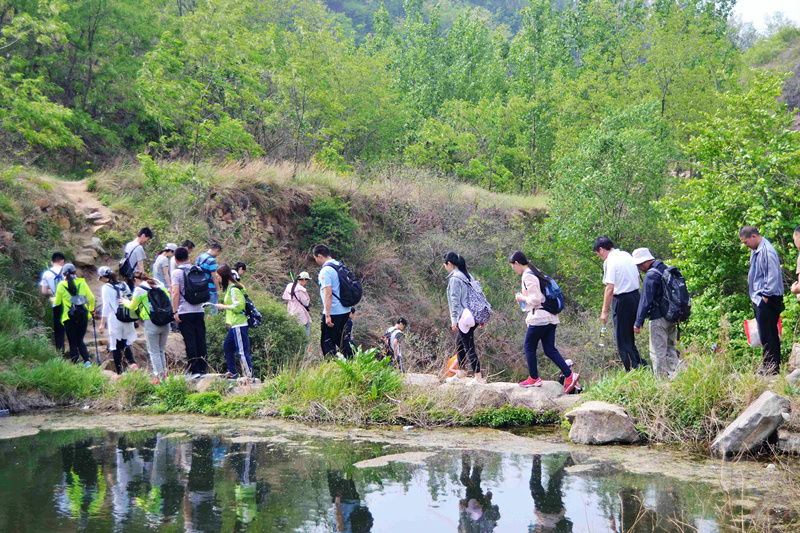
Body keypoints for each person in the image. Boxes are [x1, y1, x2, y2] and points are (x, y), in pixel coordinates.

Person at [509, 251, 579, 393]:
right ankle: (569, 375)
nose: (513, 269)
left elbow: (536, 299)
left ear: (516, 263)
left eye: (512, 266)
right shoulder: (536, 272)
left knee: (529, 346)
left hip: (540, 318)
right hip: (551, 317)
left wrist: (521, 298)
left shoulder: (528, 275)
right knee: (549, 349)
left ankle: (534, 378)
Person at [593, 236, 643, 371]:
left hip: (622, 300)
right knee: (629, 336)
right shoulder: (627, 255)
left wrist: (604, 311)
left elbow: (609, 288)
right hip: (635, 297)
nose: (599, 257)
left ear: (601, 250)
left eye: (598, 254)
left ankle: (631, 369)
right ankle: (638, 364)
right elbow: (638, 278)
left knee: (621, 338)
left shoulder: (610, 261)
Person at [740, 226, 785, 374]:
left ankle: (772, 368)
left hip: (767, 298)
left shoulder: (767, 250)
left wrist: (765, 296)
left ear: (754, 236)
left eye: (746, 242)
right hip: (760, 297)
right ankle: (769, 365)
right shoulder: (756, 250)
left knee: (769, 333)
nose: (745, 245)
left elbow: (772, 275)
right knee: (765, 333)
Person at [632, 248, 680, 378]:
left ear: (643, 262)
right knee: (670, 349)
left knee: (657, 351)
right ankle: (677, 378)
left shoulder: (651, 275)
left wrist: (638, 322)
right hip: (672, 316)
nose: (639, 268)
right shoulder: (665, 268)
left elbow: (645, 300)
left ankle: (661, 382)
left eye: (638, 265)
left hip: (658, 319)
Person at [122, 271, 171, 383]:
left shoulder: (140, 290)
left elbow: (133, 306)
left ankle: (158, 376)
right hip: (166, 321)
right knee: (161, 350)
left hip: (151, 322)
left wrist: (125, 302)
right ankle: (164, 375)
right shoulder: (160, 285)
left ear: (136, 280)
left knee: (153, 351)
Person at [444, 252, 483, 384]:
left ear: (449, 263)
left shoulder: (455, 278)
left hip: (464, 317)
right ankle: (461, 373)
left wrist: (454, 320)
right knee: (459, 343)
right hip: (472, 315)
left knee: (468, 346)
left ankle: (478, 377)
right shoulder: (467, 275)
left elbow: (455, 302)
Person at [171, 246, 208, 378]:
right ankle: (203, 368)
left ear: (175, 259)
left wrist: (175, 311)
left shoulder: (176, 273)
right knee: (200, 339)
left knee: (190, 340)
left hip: (184, 311)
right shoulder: (197, 269)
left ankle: (195, 370)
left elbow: (175, 292)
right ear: (189, 257)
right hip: (199, 309)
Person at [97, 266, 138, 378]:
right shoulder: (124, 284)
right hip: (127, 318)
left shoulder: (106, 287)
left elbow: (106, 307)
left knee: (115, 346)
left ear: (103, 278)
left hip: (115, 319)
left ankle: (119, 373)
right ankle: (133, 364)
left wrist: (102, 323)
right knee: (125, 343)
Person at [313, 244, 353, 358]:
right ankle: (352, 361)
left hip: (334, 311)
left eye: (316, 258)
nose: (316, 261)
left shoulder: (326, 270)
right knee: (342, 340)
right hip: (345, 309)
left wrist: (327, 315)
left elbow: (328, 293)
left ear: (319, 256)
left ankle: (331, 366)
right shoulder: (339, 265)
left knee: (327, 342)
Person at [215, 264, 253, 381]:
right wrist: (228, 321)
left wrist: (223, 307)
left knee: (242, 351)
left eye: (218, 276)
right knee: (228, 346)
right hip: (233, 324)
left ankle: (249, 376)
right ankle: (232, 371)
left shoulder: (234, 290)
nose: (217, 278)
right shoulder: (229, 289)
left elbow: (238, 307)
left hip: (239, 324)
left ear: (224, 276)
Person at [53, 264, 96, 366]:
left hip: (69, 318)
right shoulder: (82, 283)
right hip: (83, 316)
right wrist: (91, 310)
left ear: (64, 274)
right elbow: (92, 298)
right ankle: (87, 362)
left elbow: (57, 302)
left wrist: (53, 299)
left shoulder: (61, 285)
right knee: (80, 340)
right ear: (75, 273)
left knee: (72, 342)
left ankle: (76, 365)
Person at [529, 453, 573, 532]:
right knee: (554, 482)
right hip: (555, 510)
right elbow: (569, 524)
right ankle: (571, 459)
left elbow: (531, 528)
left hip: (541, 509)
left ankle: (536, 459)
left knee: (535, 485)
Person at [40, 252, 66, 355]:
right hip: (68, 303)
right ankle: (75, 354)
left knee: (59, 329)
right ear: (62, 261)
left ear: (52, 262)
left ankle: (60, 353)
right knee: (70, 327)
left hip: (56, 303)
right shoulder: (67, 271)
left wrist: (53, 292)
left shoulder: (46, 273)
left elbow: (44, 291)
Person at [282, 272, 312, 338]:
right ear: (304, 280)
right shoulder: (301, 289)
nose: (306, 282)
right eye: (306, 280)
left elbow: (284, 297)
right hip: (300, 312)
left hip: (290, 310)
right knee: (305, 333)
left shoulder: (289, 286)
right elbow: (306, 302)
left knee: (293, 332)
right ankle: (304, 348)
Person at [196, 243, 222, 315]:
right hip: (210, 289)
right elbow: (214, 276)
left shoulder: (200, 257)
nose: (217, 255)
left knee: (202, 310)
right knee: (212, 311)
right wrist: (218, 289)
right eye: (218, 253)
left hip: (201, 288)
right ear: (217, 250)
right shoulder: (211, 260)